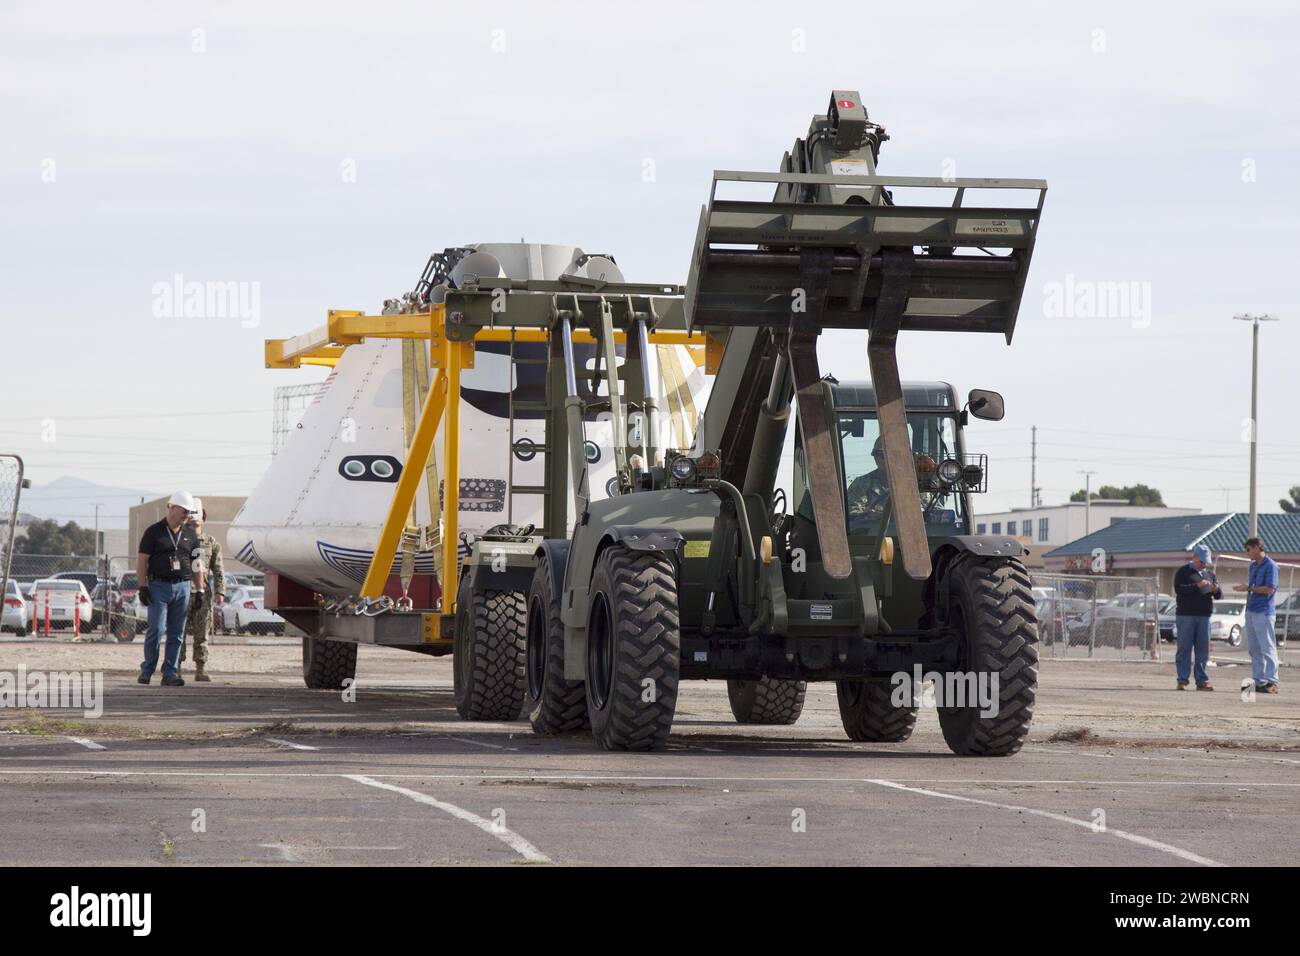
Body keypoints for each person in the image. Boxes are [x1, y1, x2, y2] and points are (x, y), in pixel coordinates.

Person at [136, 491, 205, 686]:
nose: (187, 516)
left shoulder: (191, 534)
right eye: (184, 511)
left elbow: (197, 563)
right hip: (158, 586)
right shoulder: (153, 532)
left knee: (177, 632)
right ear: (173, 508)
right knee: (156, 630)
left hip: (183, 587)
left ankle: (170, 673)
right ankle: (147, 670)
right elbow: (142, 561)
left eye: (189, 512)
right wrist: (143, 587)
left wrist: (199, 589)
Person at [180, 502, 224, 682]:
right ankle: (176, 668)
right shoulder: (180, 538)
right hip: (182, 591)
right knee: (178, 633)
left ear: (203, 520)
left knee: (202, 633)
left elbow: (219, 569)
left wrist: (220, 592)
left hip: (203, 594)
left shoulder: (211, 543)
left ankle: (201, 669)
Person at [1235, 536, 1280, 695]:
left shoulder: (1271, 566)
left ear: (1256, 548)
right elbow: (1252, 588)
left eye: (1248, 549)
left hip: (1264, 611)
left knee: (1267, 647)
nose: (1247, 553)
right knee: (1254, 648)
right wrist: (1248, 592)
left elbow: (1269, 589)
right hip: (1251, 611)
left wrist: (1248, 588)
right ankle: (1259, 681)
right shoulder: (1253, 566)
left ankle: (1272, 681)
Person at [1172, 543, 1220, 690]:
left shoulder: (1209, 574)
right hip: (1186, 615)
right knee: (1184, 648)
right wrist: (1197, 585)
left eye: (1206, 562)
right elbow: (1179, 589)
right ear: (1195, 557)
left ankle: (1202, 680)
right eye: (1202, 561)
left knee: (1202, 649)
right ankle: (1182, 679)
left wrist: (1215, 589)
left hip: (1204, 616)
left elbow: (1218, 595)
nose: (1204, 565)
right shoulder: (1183, 572)